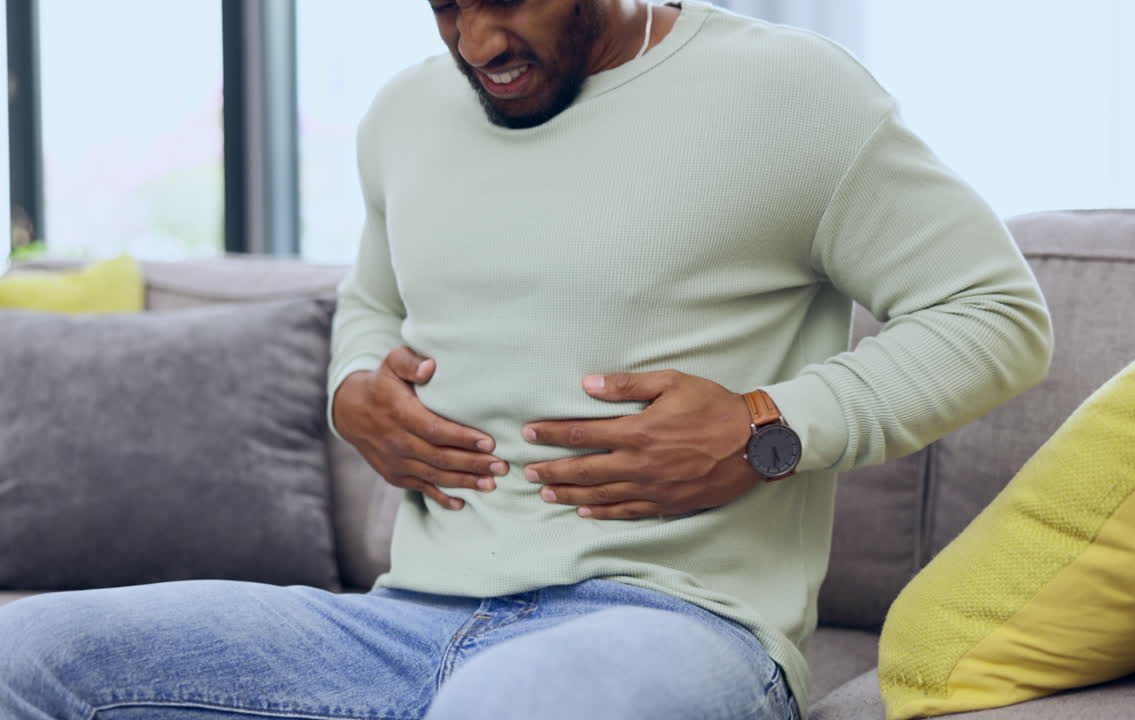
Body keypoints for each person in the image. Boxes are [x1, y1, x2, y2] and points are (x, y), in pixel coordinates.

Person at [0, 1, 1053, 718]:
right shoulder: (405, 113)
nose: (478, 42)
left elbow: (997, 313)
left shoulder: (791, 94)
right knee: (24, 657)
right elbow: (373, 301)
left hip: (674, 624)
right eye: (446, 7)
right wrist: (352, 391)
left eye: (506, 0)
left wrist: (766, 428)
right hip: (399, 622)